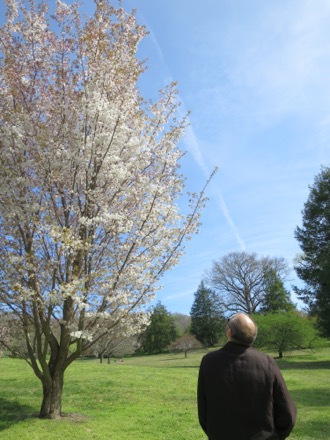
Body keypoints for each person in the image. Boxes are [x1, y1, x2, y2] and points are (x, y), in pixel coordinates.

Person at [197, 313, 296, 440]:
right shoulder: (267, 362)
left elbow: (204, 413)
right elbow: (287, 412)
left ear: (229, 332)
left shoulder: (209, 361)